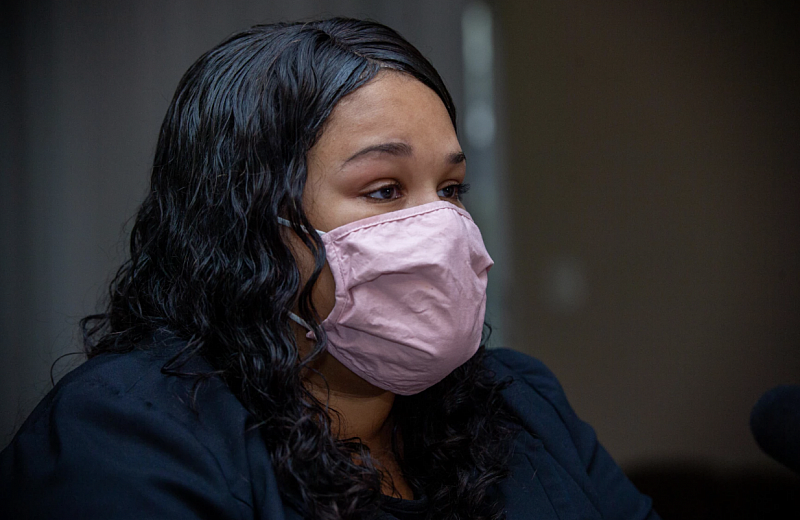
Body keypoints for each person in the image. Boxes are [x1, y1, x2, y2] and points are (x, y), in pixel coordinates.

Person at [0, 18, 660, 520]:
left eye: (452, 189)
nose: (442, 229)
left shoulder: (522, 400)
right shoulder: (124, 434)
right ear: (252, 220)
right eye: (384, 189)